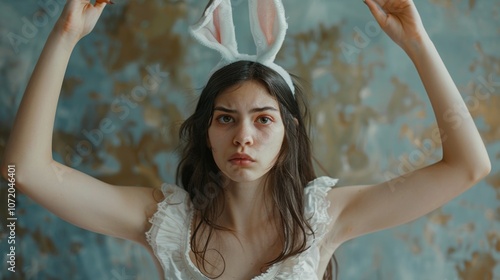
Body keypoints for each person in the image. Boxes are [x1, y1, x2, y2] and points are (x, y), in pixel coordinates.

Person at [0, 0, 491, 279]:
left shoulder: (328, 218)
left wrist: (417, 43)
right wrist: (65, 35)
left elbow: (468, 167)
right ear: (205, 133)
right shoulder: (164, 221)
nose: (243, 137)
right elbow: (24, 171)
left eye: (263, 120)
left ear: (288, 134)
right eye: (224, 119)